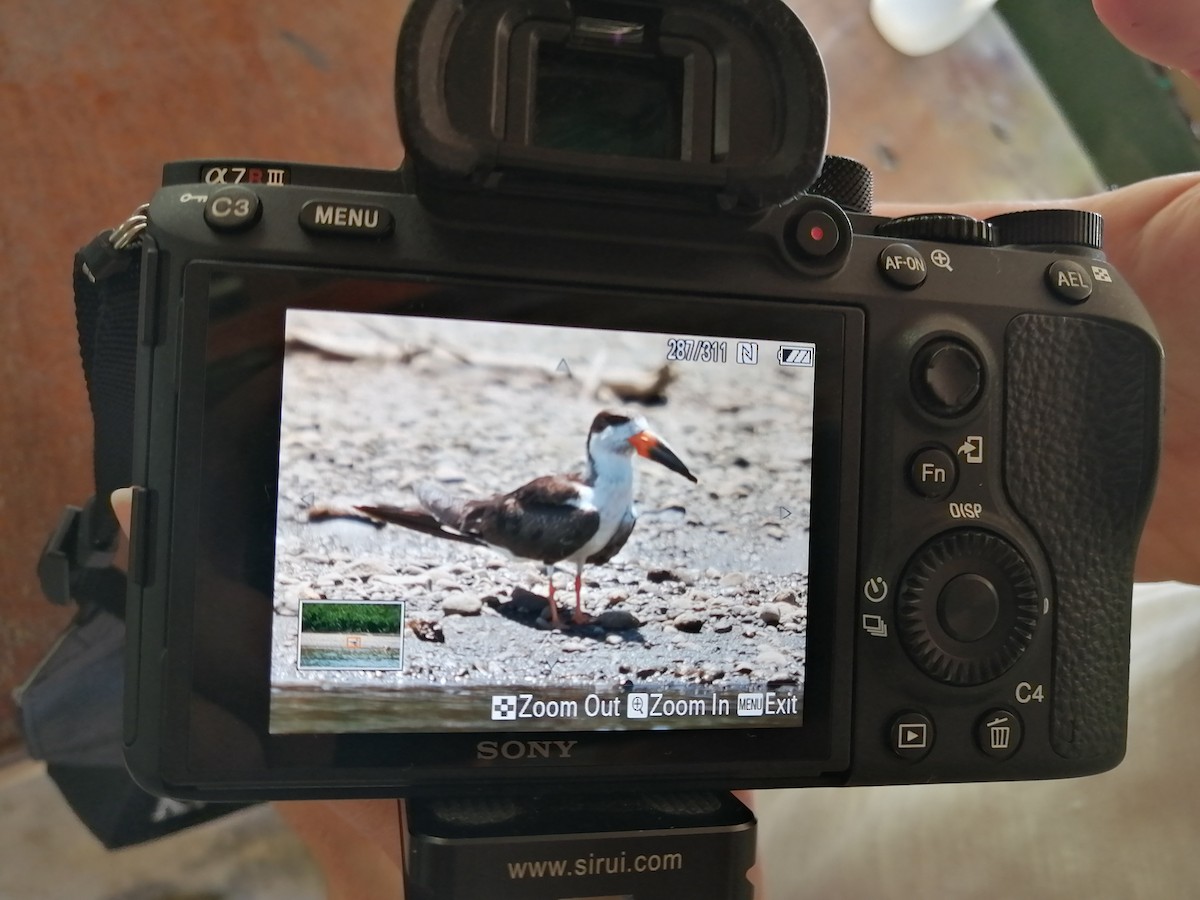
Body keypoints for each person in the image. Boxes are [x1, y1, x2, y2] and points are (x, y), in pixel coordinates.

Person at [106, 0, 1200, 895]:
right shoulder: (576, 502)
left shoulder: (613, 505)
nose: (642, 442)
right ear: (603, 439)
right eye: (627, 432)